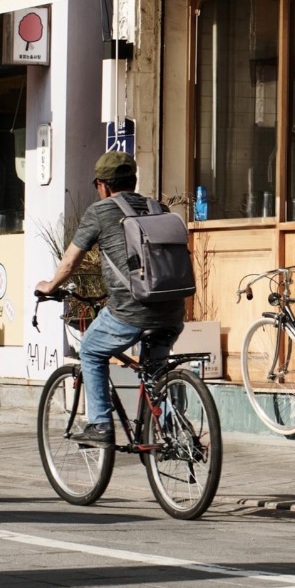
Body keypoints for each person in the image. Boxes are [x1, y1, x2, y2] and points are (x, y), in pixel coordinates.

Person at [35, 152, 186, 447]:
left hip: (129, 312)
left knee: (90, 349)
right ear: (133, 181)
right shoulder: (159, 208)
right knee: (154, 372)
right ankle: (173, 434)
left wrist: (50, 286)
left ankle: (100, 424)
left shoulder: (100, 211)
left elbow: (69, 263)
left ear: (102, 185)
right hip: (172, 312)